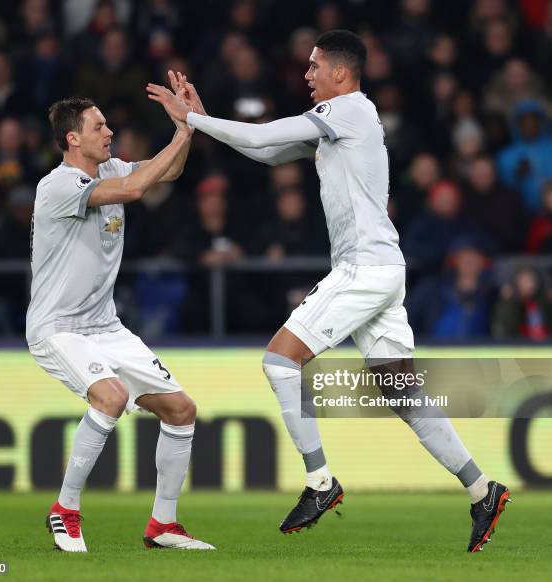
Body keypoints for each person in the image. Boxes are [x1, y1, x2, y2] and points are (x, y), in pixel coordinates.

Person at [147, 29, 511, 552]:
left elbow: (263, 134)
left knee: (278, 362)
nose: (307, 75)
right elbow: (267, 154)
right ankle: (482, 490)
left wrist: (192, 120)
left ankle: (321, 482)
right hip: (382, 269)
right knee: (401, 392)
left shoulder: (351, 111)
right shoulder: (340, 124)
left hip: (362, 268)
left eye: (315, 66)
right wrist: (203, 120)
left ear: (341, 72)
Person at [26, 88, 214, 552]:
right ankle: (64, 510)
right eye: (99, 127)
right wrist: (183, 131)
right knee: (108, 397)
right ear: (72, 139)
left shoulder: (110, 167)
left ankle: (163, 525)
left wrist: (186, 126)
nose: (109, 131)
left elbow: (169, 170)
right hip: (58, 327)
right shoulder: (59, 185)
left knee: (181, 409)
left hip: (105, 326)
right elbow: (135, 189)